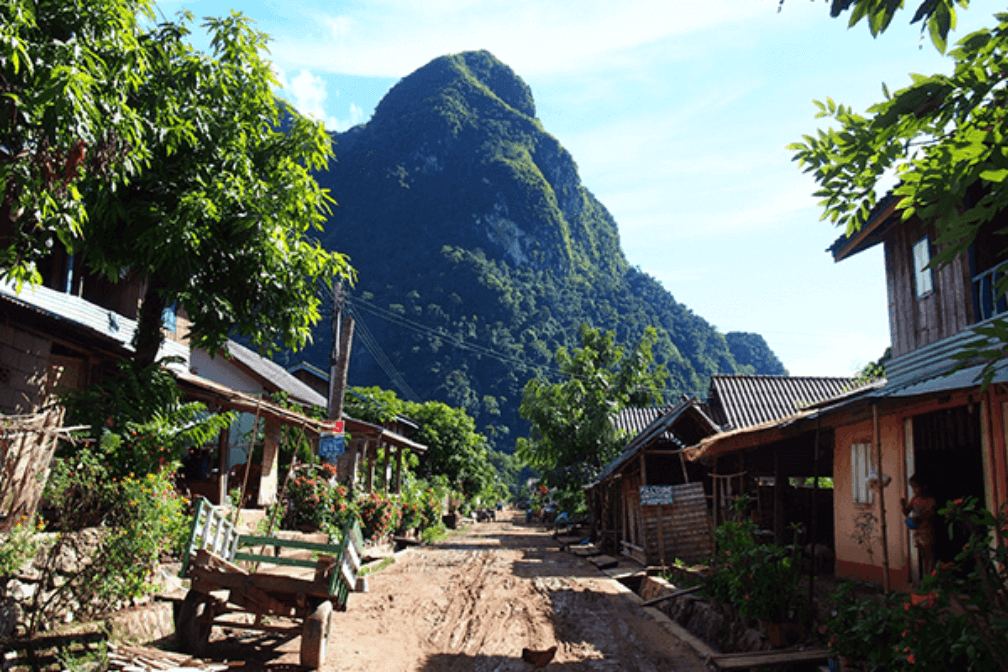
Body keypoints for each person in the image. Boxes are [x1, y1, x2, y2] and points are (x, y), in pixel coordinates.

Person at [901, 475, 937, 579]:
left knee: (929, 555)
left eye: (916, 487)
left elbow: (930, 516)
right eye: (912, 488)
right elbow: (907, 512)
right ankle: (926, 576)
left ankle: (930, 576)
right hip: (917, 532)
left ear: (924, 487)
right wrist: (903, 505)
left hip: (926, 532)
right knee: (923, 555)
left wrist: (918, 518)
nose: (914, 490)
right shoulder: (914, 500)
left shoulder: (930, 501)